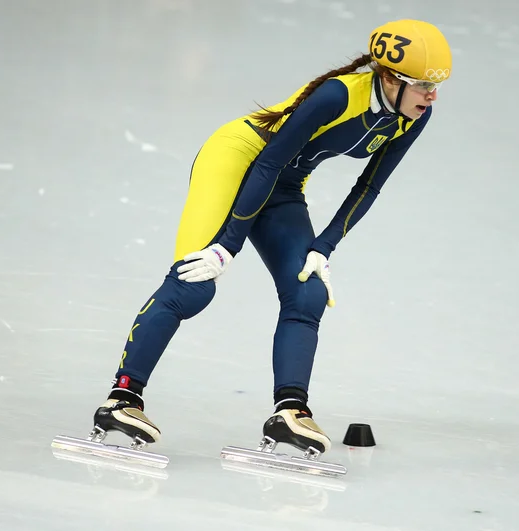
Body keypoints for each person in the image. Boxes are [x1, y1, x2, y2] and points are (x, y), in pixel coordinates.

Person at [92, 19, 452, 457]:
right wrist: (227, 244)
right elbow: (265, 163)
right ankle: (122, 398)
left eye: (436, 87)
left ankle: (290, 412)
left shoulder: (415, 116)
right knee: (194, 284)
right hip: (239, 159)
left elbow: (369, 187)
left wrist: (324, 245)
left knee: (308, 292)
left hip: (283, 184)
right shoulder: (339, 95)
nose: (432, 96)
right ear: (390, 79)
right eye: (423, 86)